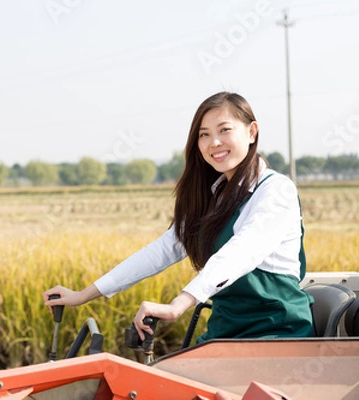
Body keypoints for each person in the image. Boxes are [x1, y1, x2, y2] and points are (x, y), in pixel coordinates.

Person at [43, 91, 314, 344]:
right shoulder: (214, 196)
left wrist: (179, 304)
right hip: (225, 331)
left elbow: (241, 252)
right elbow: (160, 251)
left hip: (277, 333)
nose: (214, 142)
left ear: (252, 132)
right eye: (204, 134)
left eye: (224, 130)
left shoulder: (275, 190)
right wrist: (83, 295)